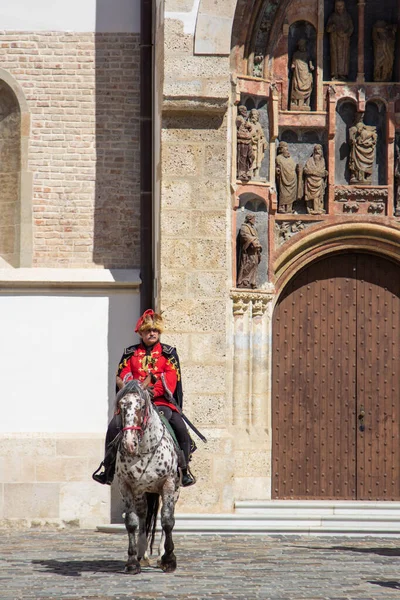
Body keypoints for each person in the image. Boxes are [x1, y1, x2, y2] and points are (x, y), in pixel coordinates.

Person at [92, 309, 196, 487]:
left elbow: (171, 378)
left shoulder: (168, 353)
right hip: (134, 403)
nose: (152, 333)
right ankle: (107, 469)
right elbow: (123, 375)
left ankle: (184, 470)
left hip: (160, 402)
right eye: (148, 330)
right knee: (113, 427)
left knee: (180, 428)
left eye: (155, 330)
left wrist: (152, 392)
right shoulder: (130, 354)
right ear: (141, 333)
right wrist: (133, 388)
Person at [326, 0, 354, 81]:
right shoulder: (332, 16)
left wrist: (346, 34)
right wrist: (332, 27)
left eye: (341, 6)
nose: (339, 8)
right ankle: (334, 74)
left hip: (344, 41)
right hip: (335, 40)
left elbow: (351, 28)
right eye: (337, 6)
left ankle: (343, 74)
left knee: (344, 58)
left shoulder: (347, 16)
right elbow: (327, 29)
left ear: (344, 6)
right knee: (335, 57)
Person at [237, 213, 262, 289]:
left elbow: (255, 237)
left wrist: (256, 243)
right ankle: (244, 280)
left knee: (255, 263)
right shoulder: (244, 227)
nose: (254, 220)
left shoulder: (253, 228)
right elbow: (244, 235)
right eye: (253, 219)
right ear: (250, 219)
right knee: (249, 263)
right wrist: (252, 241)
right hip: (248, 250)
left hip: (254, 250)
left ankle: (252, 281)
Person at [290, 38, 314, 110]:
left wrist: (311, 67)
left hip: (305, 72)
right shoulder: (296, 54)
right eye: (300, 45)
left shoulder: (307, 54)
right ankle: (295, 102)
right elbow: (293, 64)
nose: (301, 47)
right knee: (296, 85)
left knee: (308, 85)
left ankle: (305, 103)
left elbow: (310, 64)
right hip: (298, 73)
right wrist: (293, 65)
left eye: (303, 45)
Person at [303, 144, 328, 214]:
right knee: (312, 196)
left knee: (319, 196)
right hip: (310, 181)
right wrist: (316, 173)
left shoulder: (322, 160)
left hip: (319, 181)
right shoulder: (310, 160)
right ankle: (312, 209)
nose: (317, 151)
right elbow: (306, 170)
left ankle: (318, 208)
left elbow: (323, 171)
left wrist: (323, 173)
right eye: (316, 150)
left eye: (319, 149)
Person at [276, 141, 298, 213]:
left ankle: (289, 208)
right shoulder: (279, 158)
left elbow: (293, 166)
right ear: (281, 150)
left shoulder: (290, 159)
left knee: (291, 195)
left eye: (287, 149)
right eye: (285, 149)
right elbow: (278, 167)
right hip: (283, 179)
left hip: (292, 179)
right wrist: (278, 170)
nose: (287, 151)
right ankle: (282, 207)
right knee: (284, 193)